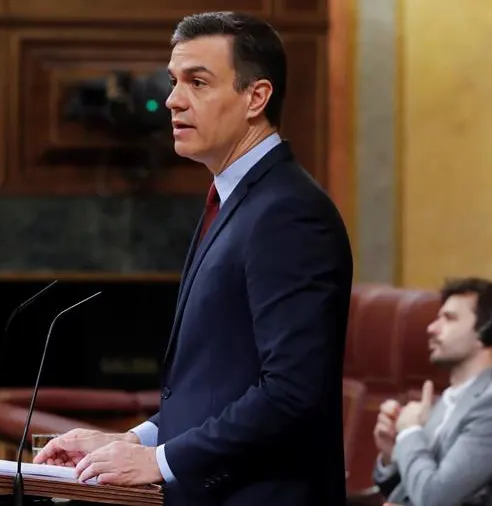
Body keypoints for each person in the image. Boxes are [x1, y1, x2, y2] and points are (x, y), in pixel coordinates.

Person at [33, 10, 353, 506]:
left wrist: (158, 462)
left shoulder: (289, 212)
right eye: (173, 81)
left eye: (197, 82)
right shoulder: (236, 200)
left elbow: (292, 393)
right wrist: (131, 440)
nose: (172, 100)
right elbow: (217, 385)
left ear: (256, 97)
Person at [372, 277, 492, 506]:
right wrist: (391, 454)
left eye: (449, 318)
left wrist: (410, 433)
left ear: (484, 331)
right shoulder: (447, 398)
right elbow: (407, 489)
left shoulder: (488, 404)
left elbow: (434, 498)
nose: (431, 328)